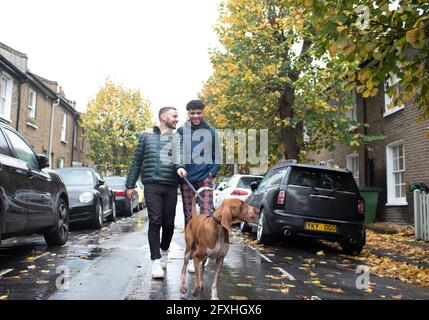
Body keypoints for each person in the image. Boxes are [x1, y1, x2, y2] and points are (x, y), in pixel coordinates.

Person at [126, 107, 179, 279]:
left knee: (169, 225)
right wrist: (130, 185)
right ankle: (156, 260)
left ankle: (164, 251)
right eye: (174, 116)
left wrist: (181, 168)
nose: (177, 119)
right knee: (155, 221)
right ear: (163, 117)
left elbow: (182, 160)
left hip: (171, 185)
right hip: (151, 185)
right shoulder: (146, 137)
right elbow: (136, 162)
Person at [176, 99, 220, 273]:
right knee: (190, 218)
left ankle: (205, 252)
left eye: (198, 113)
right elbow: (177, 153)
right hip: (186, 178)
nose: (195, 116)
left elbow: (217, 156)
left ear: (203, 112)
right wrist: (179, 168)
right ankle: (194, 252)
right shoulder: (181, 132)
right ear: (188, 112)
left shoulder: (211, 132)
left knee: (208, 215)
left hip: (205, 178)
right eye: (192, 113)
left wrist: (212, 173)